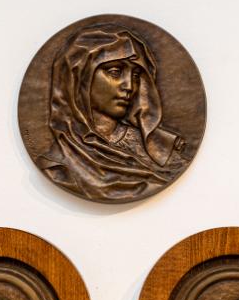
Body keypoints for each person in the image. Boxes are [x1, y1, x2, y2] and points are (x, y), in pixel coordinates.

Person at [36, 23, 187, 202]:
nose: (130, 86)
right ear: (78, 78)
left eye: (135, 76)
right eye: (115, 72)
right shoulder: (57, 166)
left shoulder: (160, 152)